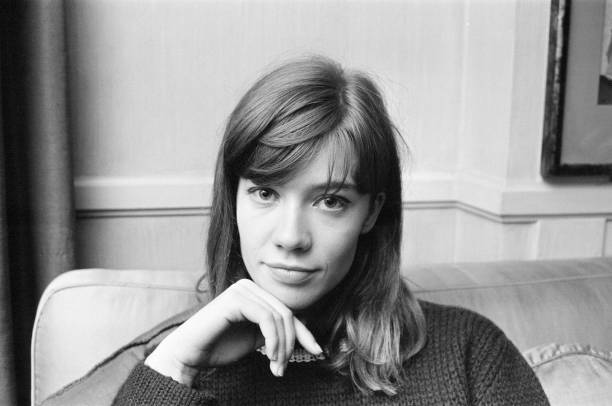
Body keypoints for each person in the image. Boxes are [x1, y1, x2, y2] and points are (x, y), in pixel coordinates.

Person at [111, 56, 549, 405]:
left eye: (330, 201)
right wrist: (178, 365)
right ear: (234, 200)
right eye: (265, 193)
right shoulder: (179, 364)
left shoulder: (471, 352)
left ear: (371, 212)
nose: (290, 237)